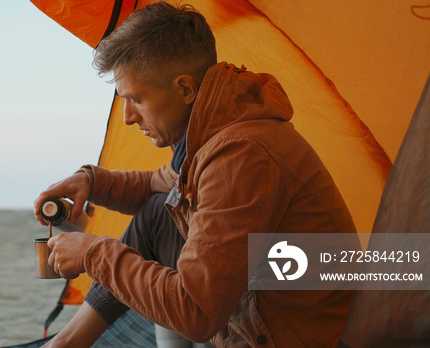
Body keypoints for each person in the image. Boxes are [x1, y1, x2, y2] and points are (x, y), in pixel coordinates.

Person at [33, 2, 357, 347]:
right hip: (256, 313)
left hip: (296, 337)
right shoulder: (211, 133)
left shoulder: (241, 154)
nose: (128, 117)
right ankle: (67, 343)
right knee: (158, 212)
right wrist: (92, 182)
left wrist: (93, 254)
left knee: (164, 252)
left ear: (185, 89)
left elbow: (196, 312)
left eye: (137, 99)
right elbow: (157, 184)